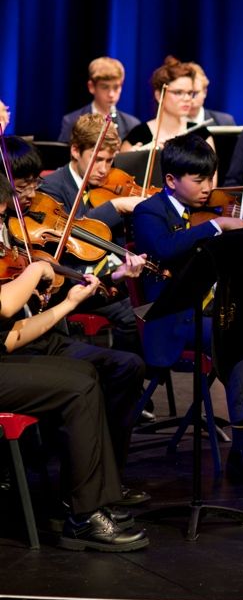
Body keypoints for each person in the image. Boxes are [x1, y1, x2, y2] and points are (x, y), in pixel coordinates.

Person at [131, 134, 243, 480]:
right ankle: (242, 449)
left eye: (210, 178)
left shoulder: (220, 210)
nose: (207, 188)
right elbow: (164, 248)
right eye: (198, 179)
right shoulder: (149, 212)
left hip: (223, 309)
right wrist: (216, 227)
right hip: (175, 319)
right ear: (171, 180)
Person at [0, 171, 149, 551]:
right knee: (80, 385)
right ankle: (85, 515)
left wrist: (71, 301)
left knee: (93, 371)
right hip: (10, 358)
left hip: (17, 348)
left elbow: (13, 333)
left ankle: (91, 497)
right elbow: (6, 312)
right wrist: (35, 270)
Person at [38, 115, 145, 355]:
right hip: (76, 282)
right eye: (97, 160)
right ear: (75, 150)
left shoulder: (110, 185)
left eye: (110, 160)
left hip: (114, 278)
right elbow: (71, 231)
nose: (104, 169)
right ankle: (120, 370)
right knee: (134, 317)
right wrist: (115, 206)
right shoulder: (51, 188)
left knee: (154, 304)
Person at [121, 57, 214, 153]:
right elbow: (122, 162)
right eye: (178, 92)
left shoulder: (201, 133)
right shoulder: (138, 135)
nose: (187, 98)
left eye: (190, 93)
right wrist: (136, 157)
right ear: (158, 95)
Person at [58, 57, 141, 143]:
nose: (111, 94)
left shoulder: (132, 125)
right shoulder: (72, 121)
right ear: (91, 87)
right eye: (105, 87)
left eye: (116, 87)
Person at [186, 62, 237, 127]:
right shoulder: (172, 124)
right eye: (182, 93)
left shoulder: (224, 122)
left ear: (205, 92)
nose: (188, 98)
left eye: (194, 93)